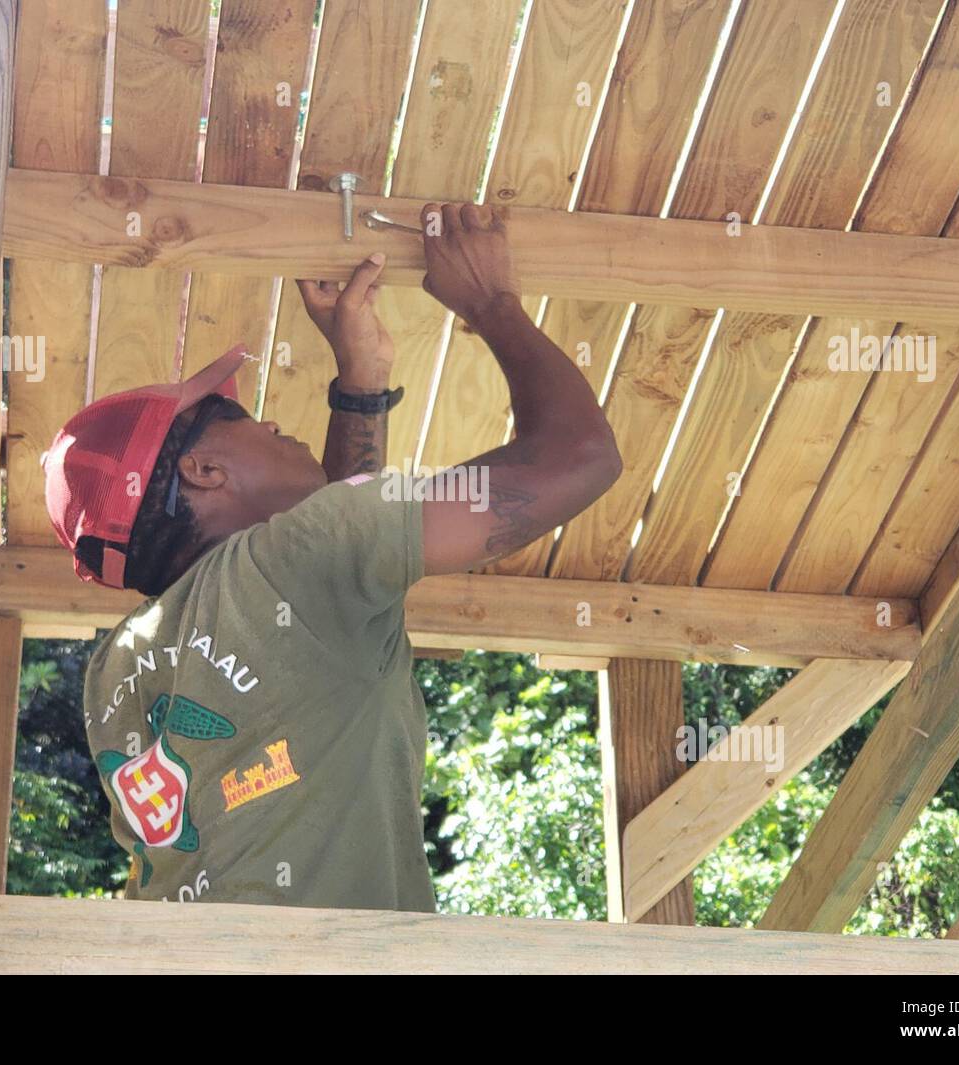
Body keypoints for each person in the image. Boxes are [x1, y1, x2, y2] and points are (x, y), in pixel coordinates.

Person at [42, 202, 621, 910]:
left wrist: (362, 382)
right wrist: (490, 302)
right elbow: (580, 457)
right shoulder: (289, 567)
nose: (275, 421)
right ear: (203, 471)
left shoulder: (117, 666)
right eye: (245, 418)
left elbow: (331, 549)